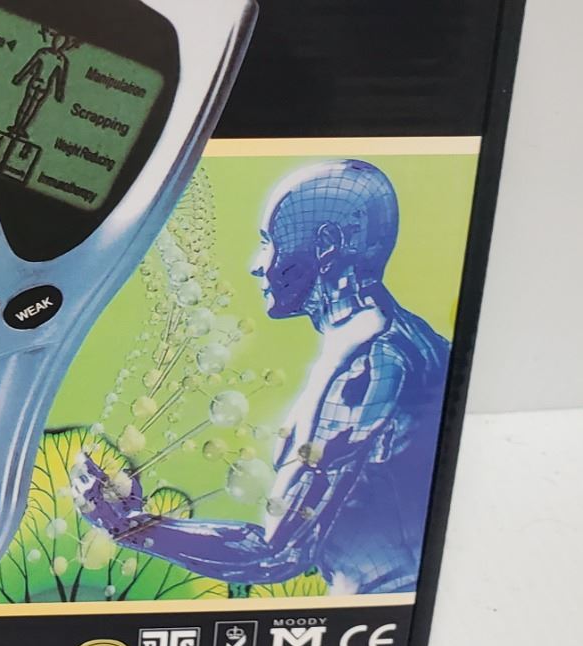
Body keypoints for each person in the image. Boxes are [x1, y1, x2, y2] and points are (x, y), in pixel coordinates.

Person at [73, 160, 449, 595]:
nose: (256, 265)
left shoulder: (366, 364)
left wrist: (130, 526)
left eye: (268, 242)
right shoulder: (415, 339)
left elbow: (275, 554)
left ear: (327, 245)